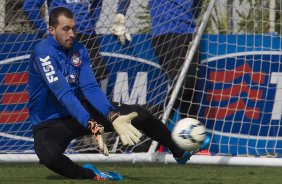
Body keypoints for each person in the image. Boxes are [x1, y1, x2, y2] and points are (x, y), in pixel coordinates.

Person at [28, 7, 209, 180]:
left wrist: (112, 115)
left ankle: (178, 150)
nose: (71, 34)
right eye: (65, 29)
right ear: (51, 30)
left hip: (80, 112)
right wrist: (92, 125)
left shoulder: (79, 49)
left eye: (73, 28)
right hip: (49, 123)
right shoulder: (43, 52)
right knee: (49, 156)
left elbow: (90, 88)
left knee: (141, 115)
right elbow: (65, 95)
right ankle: (92, 175)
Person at [23, 0, 131, 84]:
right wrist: (45, 31)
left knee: (100, 71)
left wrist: (90, 24)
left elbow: (97, 4)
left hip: (87, 35)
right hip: (64, 35)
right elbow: (30, 6)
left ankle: (87, 105)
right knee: (69, 75)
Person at [149, 0, 203, 120]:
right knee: (183, 83)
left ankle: (189, 135)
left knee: (191, 89)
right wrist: (120, 13)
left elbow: (198, 5)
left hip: (190, 33)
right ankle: (152, 126)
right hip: (165, 32)